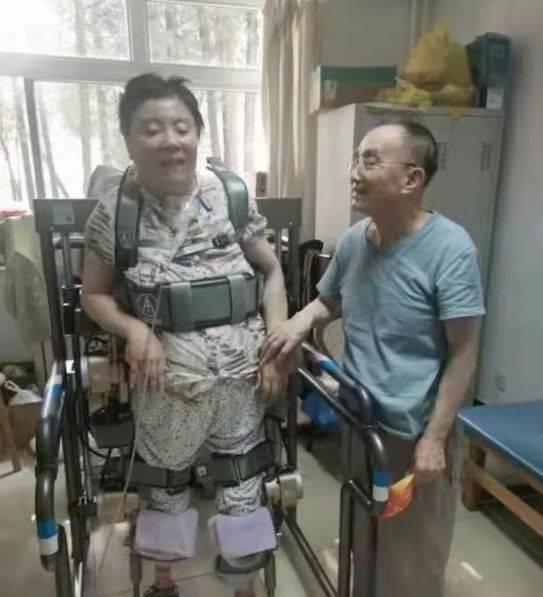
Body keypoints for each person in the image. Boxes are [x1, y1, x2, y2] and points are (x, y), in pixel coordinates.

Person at [81, 74, 288, 597]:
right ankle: (164, 582)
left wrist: (276, 347)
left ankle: (243, 585)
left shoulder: (231, 195)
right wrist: (134, 329)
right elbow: (94, 295)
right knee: (165, 483)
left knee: (242, 480)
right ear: (129, 138)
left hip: (241, 376)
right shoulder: (117, 211)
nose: (170, 140)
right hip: (168, 381)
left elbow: (271, 271)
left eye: (181, 126)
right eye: (152, 129)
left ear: (197, 132)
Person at [261, 120, 485, 596]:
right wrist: (297, 323)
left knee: (411, 561)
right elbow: (329, 301)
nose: (355, 172)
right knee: (364, 538)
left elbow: (465, 351)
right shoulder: (355, 239)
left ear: (411, 179)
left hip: (414, 431)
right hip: (362, 423)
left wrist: (434, 439)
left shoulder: (450, 249)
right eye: (356, 159)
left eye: (370, 160)